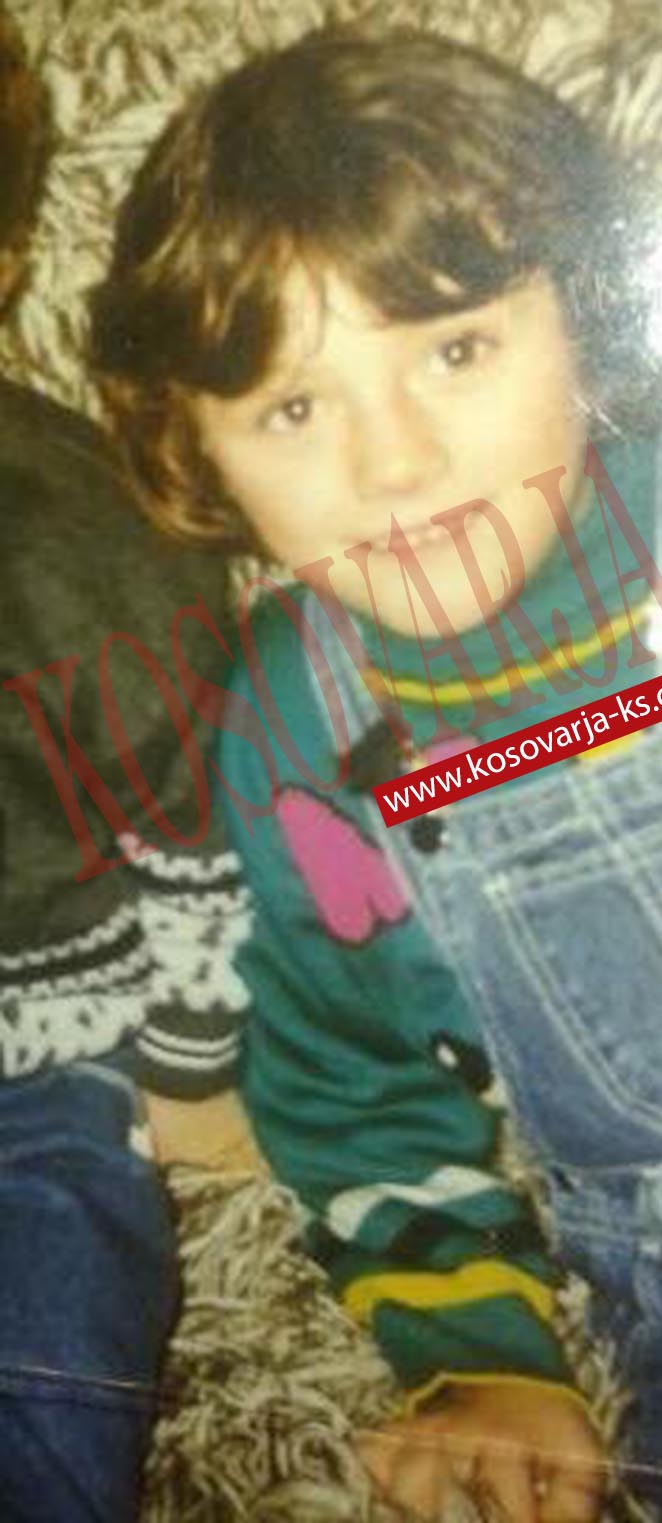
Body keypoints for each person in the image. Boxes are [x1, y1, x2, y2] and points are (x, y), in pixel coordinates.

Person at [91, 23, 662, 1522]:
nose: (396, 468)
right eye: (294, 407)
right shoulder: (307, 731)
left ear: (591, 312)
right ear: (196, 450)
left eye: (455, 350)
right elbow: (352, 1080)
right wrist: (482, 1359)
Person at [0, 10, 256, 1521]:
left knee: (47, 1343)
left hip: (32, 1076)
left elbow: (195, 831)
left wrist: (191, 1070)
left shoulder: (92, 530)